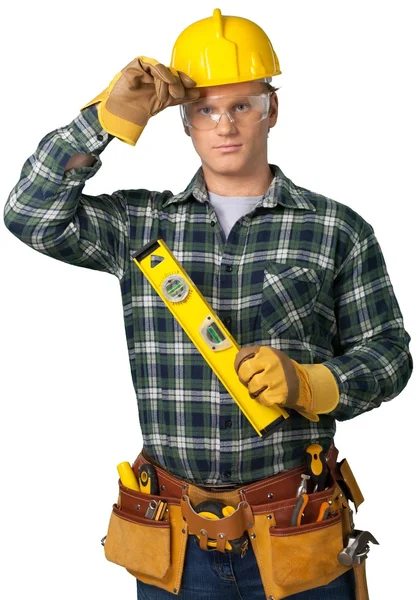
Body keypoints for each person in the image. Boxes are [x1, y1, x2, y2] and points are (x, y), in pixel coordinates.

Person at [3, 8, 413, 600]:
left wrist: (312, 384)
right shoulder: (139, 224)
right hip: (175, 539)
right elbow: (29, 214)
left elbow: (389, 357)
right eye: (206, 109)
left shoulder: (335, 229)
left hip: (299, 529)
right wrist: (104, 119)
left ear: (273, 111)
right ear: (186, 123)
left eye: (243, 105)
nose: (226, 125)